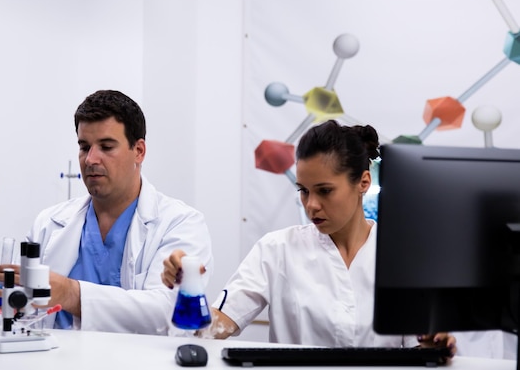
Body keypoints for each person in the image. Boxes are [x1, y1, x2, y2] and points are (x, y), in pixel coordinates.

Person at [0, 89, 213, 334]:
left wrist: (72, 293)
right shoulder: (50, 223)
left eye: (106, 146)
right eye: (84, 146)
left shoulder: (180, 224)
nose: (90, 159)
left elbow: (167, 312)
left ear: (138, 151)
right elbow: (14, 308)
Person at [161, 120, 456, 356]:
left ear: (363, 182)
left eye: (324, 190)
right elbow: (213, 330)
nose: (311, 204)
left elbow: (418, 350)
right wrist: (187, 287)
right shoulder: (276, 250)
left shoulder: (402, 253)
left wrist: (433, 346)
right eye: (303, 190)